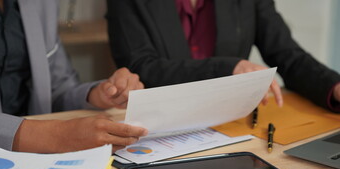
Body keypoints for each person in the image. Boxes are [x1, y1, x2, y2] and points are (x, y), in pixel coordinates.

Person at [106, 0, 340, 112]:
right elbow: (140, 67)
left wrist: (334, 86)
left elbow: (287, 54)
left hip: (233, 123)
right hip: (161, 124)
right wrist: (227, 69)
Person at [0, 0, 148, 153]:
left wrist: (98, 94)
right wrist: (55, 136)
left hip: (36, 160)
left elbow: (57, 87)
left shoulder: (44, 3)